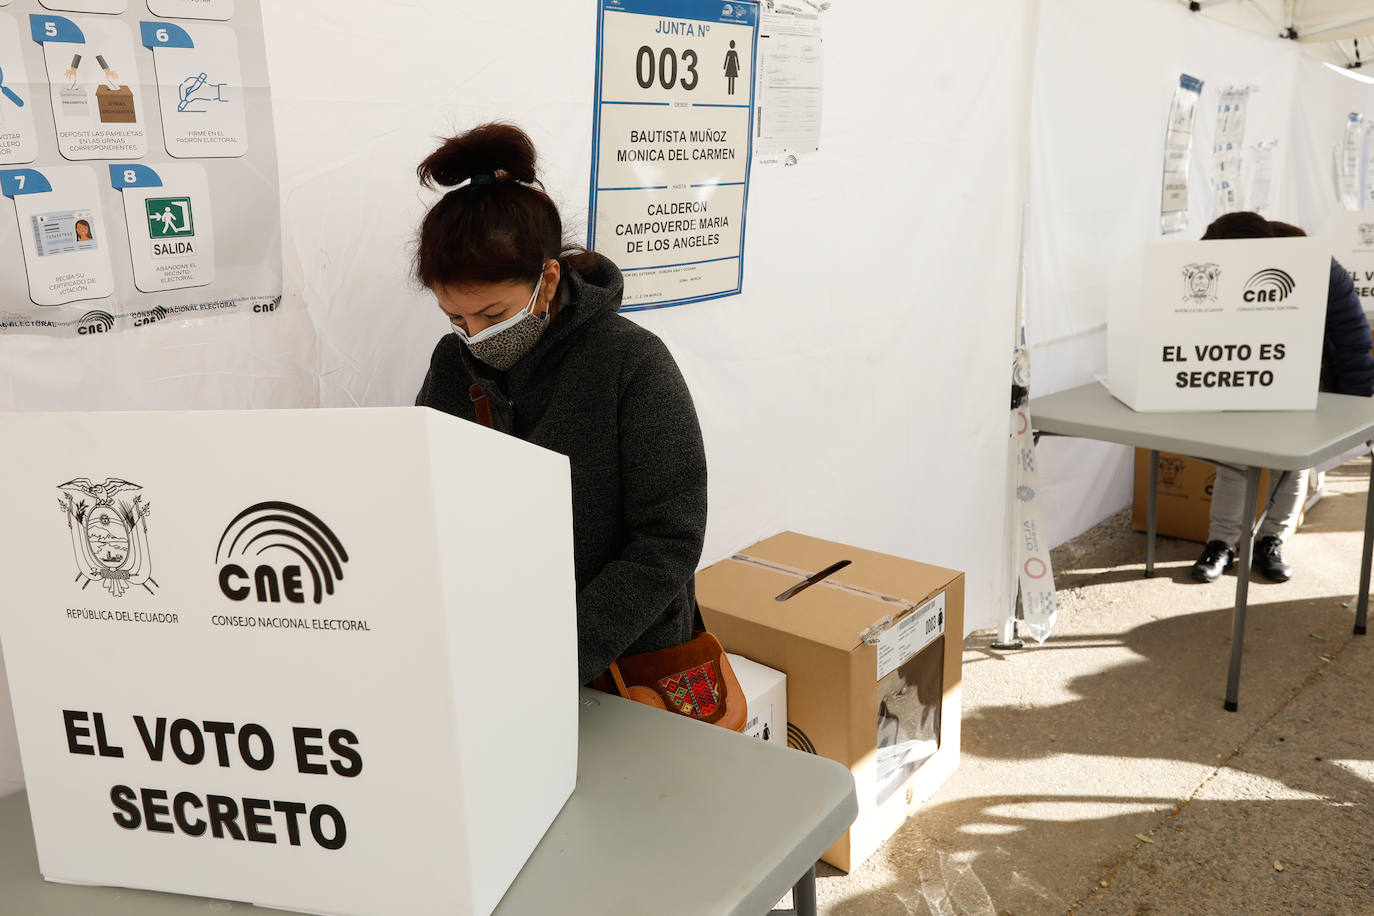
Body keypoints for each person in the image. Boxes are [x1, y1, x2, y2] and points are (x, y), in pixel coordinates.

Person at [412, 123, 707, 685]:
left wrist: (556, 652)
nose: (475, 335)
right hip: (496, 651)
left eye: (493, 315)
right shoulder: (451, 366)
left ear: (547, 278)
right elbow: (428, 499)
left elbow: (669, 538)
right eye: (456, 319)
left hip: (625, 668)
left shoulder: (631, 362)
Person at [1191, 212, 1374, 583]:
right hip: (1243, 372)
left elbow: (1354, 343)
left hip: (1309, 376)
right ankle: (1221, 543)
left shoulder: (1322, 270)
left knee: (1291, 460)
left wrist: (1361, 410)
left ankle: (1271, 540)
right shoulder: (1225, 269)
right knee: (1233, 456)